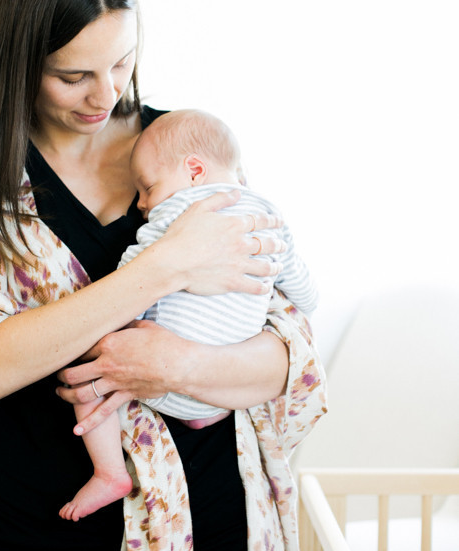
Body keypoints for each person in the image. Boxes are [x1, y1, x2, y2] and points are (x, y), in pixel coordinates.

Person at [0, 0, 327, 551]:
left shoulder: (185, 153)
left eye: (123, 62)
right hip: (32, 521)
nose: (106, 94)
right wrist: (166, 267)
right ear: (13, 61)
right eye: (73, 76)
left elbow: (289, 357)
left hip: (205, 513)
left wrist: (174, 364)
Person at [61, 108, 319, 522]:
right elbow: (303, 290)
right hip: (221, 391)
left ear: (194, 171)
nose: (142, 203)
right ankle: (203, 413)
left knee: (92, 371)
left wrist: (116, 322)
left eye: (147, 188)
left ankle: (109, 472)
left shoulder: (177, 212)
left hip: (163, 381)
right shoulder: (270, 216)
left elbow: (135, 274)